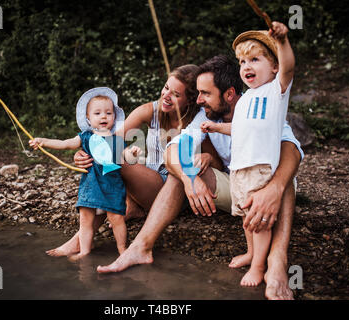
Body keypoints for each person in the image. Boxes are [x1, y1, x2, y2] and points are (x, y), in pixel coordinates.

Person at [96, 50, 304, 300]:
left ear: (229, 94)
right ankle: (140, 248)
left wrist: (274, 188)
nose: (199, 101)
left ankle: (277, 262)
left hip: (265, 186)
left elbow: (292, 149)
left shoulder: (261, 103)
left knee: (285, 180)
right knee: (181, 171)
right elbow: (176, 148)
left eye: (205, 94)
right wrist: (189, 179)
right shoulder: (206, 116)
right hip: (233, 187)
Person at [48, 65, 221, 257]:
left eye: (175, 94)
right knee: (112, 158)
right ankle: (85, 235)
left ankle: (80, 240)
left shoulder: (198, 121)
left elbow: (219, 164)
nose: (166, 96)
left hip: (174, 190)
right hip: (150, 181)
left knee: (115, 162)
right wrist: (82, 152)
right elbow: (109, 141)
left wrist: (207, 157)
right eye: (165, 88)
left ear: (190, 100)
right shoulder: (150, 110)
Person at [200, 22, 295, 287]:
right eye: (242, 61)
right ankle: (252, 253)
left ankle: (258, 265)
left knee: (258, 222)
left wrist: (283, 41)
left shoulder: (276, 89)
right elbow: (239, 129)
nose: (247, 66)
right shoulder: (245, 100)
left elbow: (289, 66)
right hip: (240, 169)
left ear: (274, 66)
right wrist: (217, 127)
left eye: (255, 59)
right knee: (245, 218)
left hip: (260, 167)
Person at [29, 87, 141, 259]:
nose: (103, 116)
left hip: (112, 186)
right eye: (97, 113)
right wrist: (43, 141)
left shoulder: (116, 139)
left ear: (114, 117)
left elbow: (123, 155)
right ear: (88, 118)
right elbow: (65, 143)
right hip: (90, 185)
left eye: (108, 113)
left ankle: (122, 250)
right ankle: (84, 251)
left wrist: (132, 153)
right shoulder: (85, 137)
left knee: (116, 218)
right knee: (85, 221)